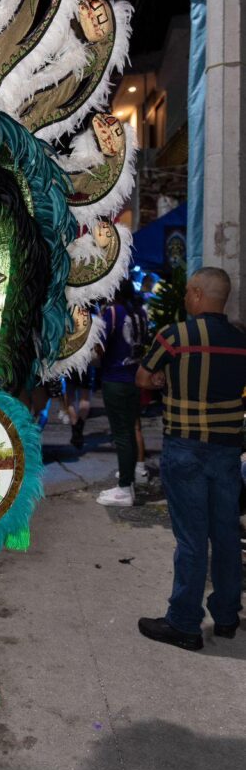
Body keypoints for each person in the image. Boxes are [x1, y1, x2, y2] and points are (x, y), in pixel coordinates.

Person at [136, 266, 246, 651]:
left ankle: (184, 624)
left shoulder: (175, 336)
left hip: (185, 449)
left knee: (192, 539)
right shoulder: (240, 340)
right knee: (227, 534)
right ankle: (228, 617)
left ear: (198, 294)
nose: (184, 297)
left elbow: (143, 378)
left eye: (187, 292)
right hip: (228, 450)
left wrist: (164, 380)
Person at [96, 280, 148, 505]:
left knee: (122, 435)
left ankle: (125, 489)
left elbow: (100, 345)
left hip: (115, 380)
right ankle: (129, 480)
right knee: (131, 430)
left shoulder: (113, 313)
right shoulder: (140, 314)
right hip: (134, 379)